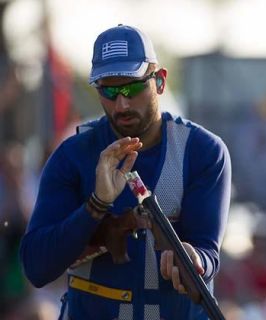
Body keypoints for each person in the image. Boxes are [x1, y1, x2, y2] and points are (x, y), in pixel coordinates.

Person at [19, 24, 232, 320]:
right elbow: (37, 268)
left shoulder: (204, 151)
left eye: (132, 87)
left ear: (159, 81)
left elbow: (208, 253)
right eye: (108, 90)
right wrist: (96, 205)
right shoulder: (71, 155)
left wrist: (193, 259)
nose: (122, 104)